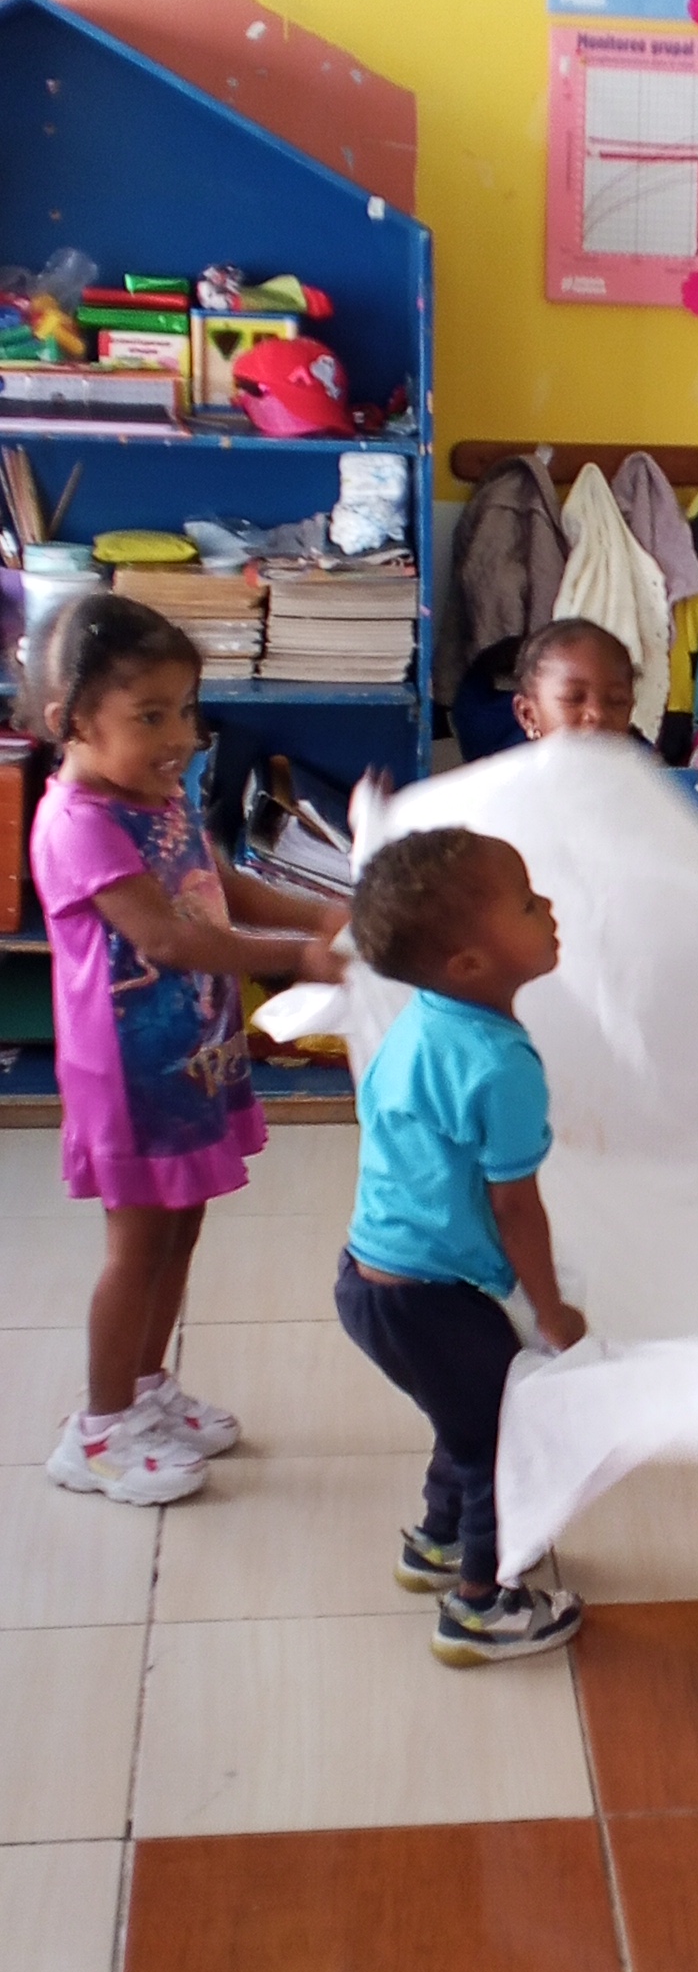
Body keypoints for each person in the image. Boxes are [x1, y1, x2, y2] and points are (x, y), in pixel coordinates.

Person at [28, 591, 345, 1505]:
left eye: (186, 711)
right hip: (129, 1077)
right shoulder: (81, 823)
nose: (180, 737)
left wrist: (326, 911)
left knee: (182, 1226)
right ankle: (98, 1432)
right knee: (136, 1247)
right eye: (150, 716)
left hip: (191, 1056)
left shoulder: (157, 796)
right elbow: (168, 938)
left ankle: (143, 1386)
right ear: (72, 721)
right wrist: (297, 958)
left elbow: (222, 884)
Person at [335, 823, 588, 1662]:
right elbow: (516, 1208)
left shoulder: (421, 1022)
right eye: (526, 903)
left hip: (371, 1282)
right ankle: (482, 1605)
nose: (547, 907)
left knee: (465, 1414)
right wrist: (551, 1311)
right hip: (428, 1300)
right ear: (470, 963)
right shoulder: (500, 1065)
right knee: (502, 1442)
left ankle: (439, 1540)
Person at [513, 617, 638, 742]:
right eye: (573, 698)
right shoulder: (511, 754)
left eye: (617, 701)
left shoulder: (643, 754)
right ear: (528, 715)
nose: (598, 713)